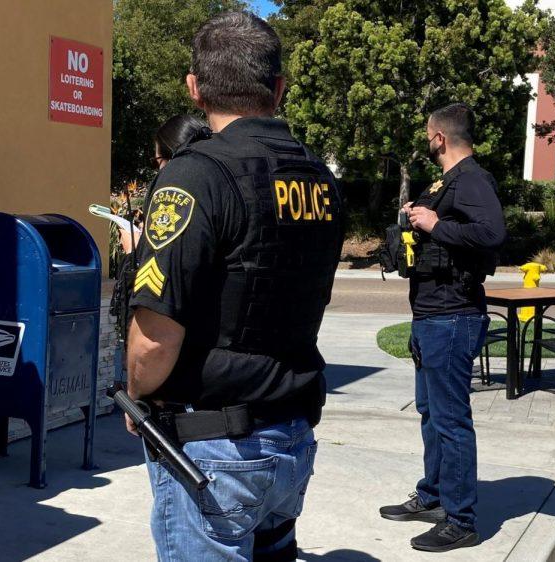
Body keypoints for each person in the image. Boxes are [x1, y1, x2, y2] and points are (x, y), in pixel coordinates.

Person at [125, 12, 344, 561]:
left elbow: (154, 335)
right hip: (290, 434)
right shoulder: (318, 176)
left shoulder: (194, 174)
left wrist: (137, 396)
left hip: (216, 449)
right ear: (279, 88)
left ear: (194, 89)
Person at [379, 103, 505, 553]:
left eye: (428, 134)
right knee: (431, 413)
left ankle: (461, 519)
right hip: (431, 314)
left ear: (439, 138)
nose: (426, 140)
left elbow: (492, 233)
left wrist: (435, 224)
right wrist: (420, 216)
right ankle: (433, 496)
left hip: (453, 316)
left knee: (451, 420)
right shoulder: (447, 182)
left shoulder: (470, 177)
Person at [118, 114, 207, 254]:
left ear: (171, 158)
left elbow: (161, 268)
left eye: (156, 162)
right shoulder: (221, 184)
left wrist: (132, 251)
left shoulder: (177, 194)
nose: (158, 171)